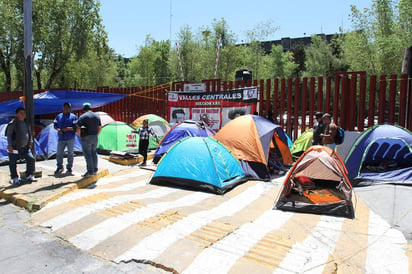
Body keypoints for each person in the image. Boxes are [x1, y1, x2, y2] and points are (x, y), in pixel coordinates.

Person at [6, 107, 36, 185]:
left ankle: (29, 175)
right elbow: (9, 135)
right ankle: (14, 177)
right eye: (21, 113)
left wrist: (30, 143)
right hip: (15, 146)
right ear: (17, 114)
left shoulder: (26, 123)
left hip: (25, 147)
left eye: (24, 113)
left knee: (31, 159)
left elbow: (29, 134)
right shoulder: (13, 123)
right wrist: (10, 146)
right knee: (13, 162)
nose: (23, 115)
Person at [76, 103, 101, 177]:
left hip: (86, 137)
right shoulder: (96, 116)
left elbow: (78, 127)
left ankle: (90, 172)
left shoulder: (83, 117)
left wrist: (79, 135)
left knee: (88, 154)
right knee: (94, 153)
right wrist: (96, 135)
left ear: (83, 109)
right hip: (95, 137)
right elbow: (100, 127)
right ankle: (95, 170)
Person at [53, 102, 78, 175]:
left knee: (70, 153)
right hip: (61, 138)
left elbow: (76, 127)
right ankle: (59, 166)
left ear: (70, 108)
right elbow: (55, 124)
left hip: (70, 137)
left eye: (68, 107)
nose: (66, 109)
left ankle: (69, 167)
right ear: (63, 108)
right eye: (65, 107)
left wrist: (69, 129)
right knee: (59, 153)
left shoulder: (73, 117)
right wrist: (58, 129)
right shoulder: (59, 116)